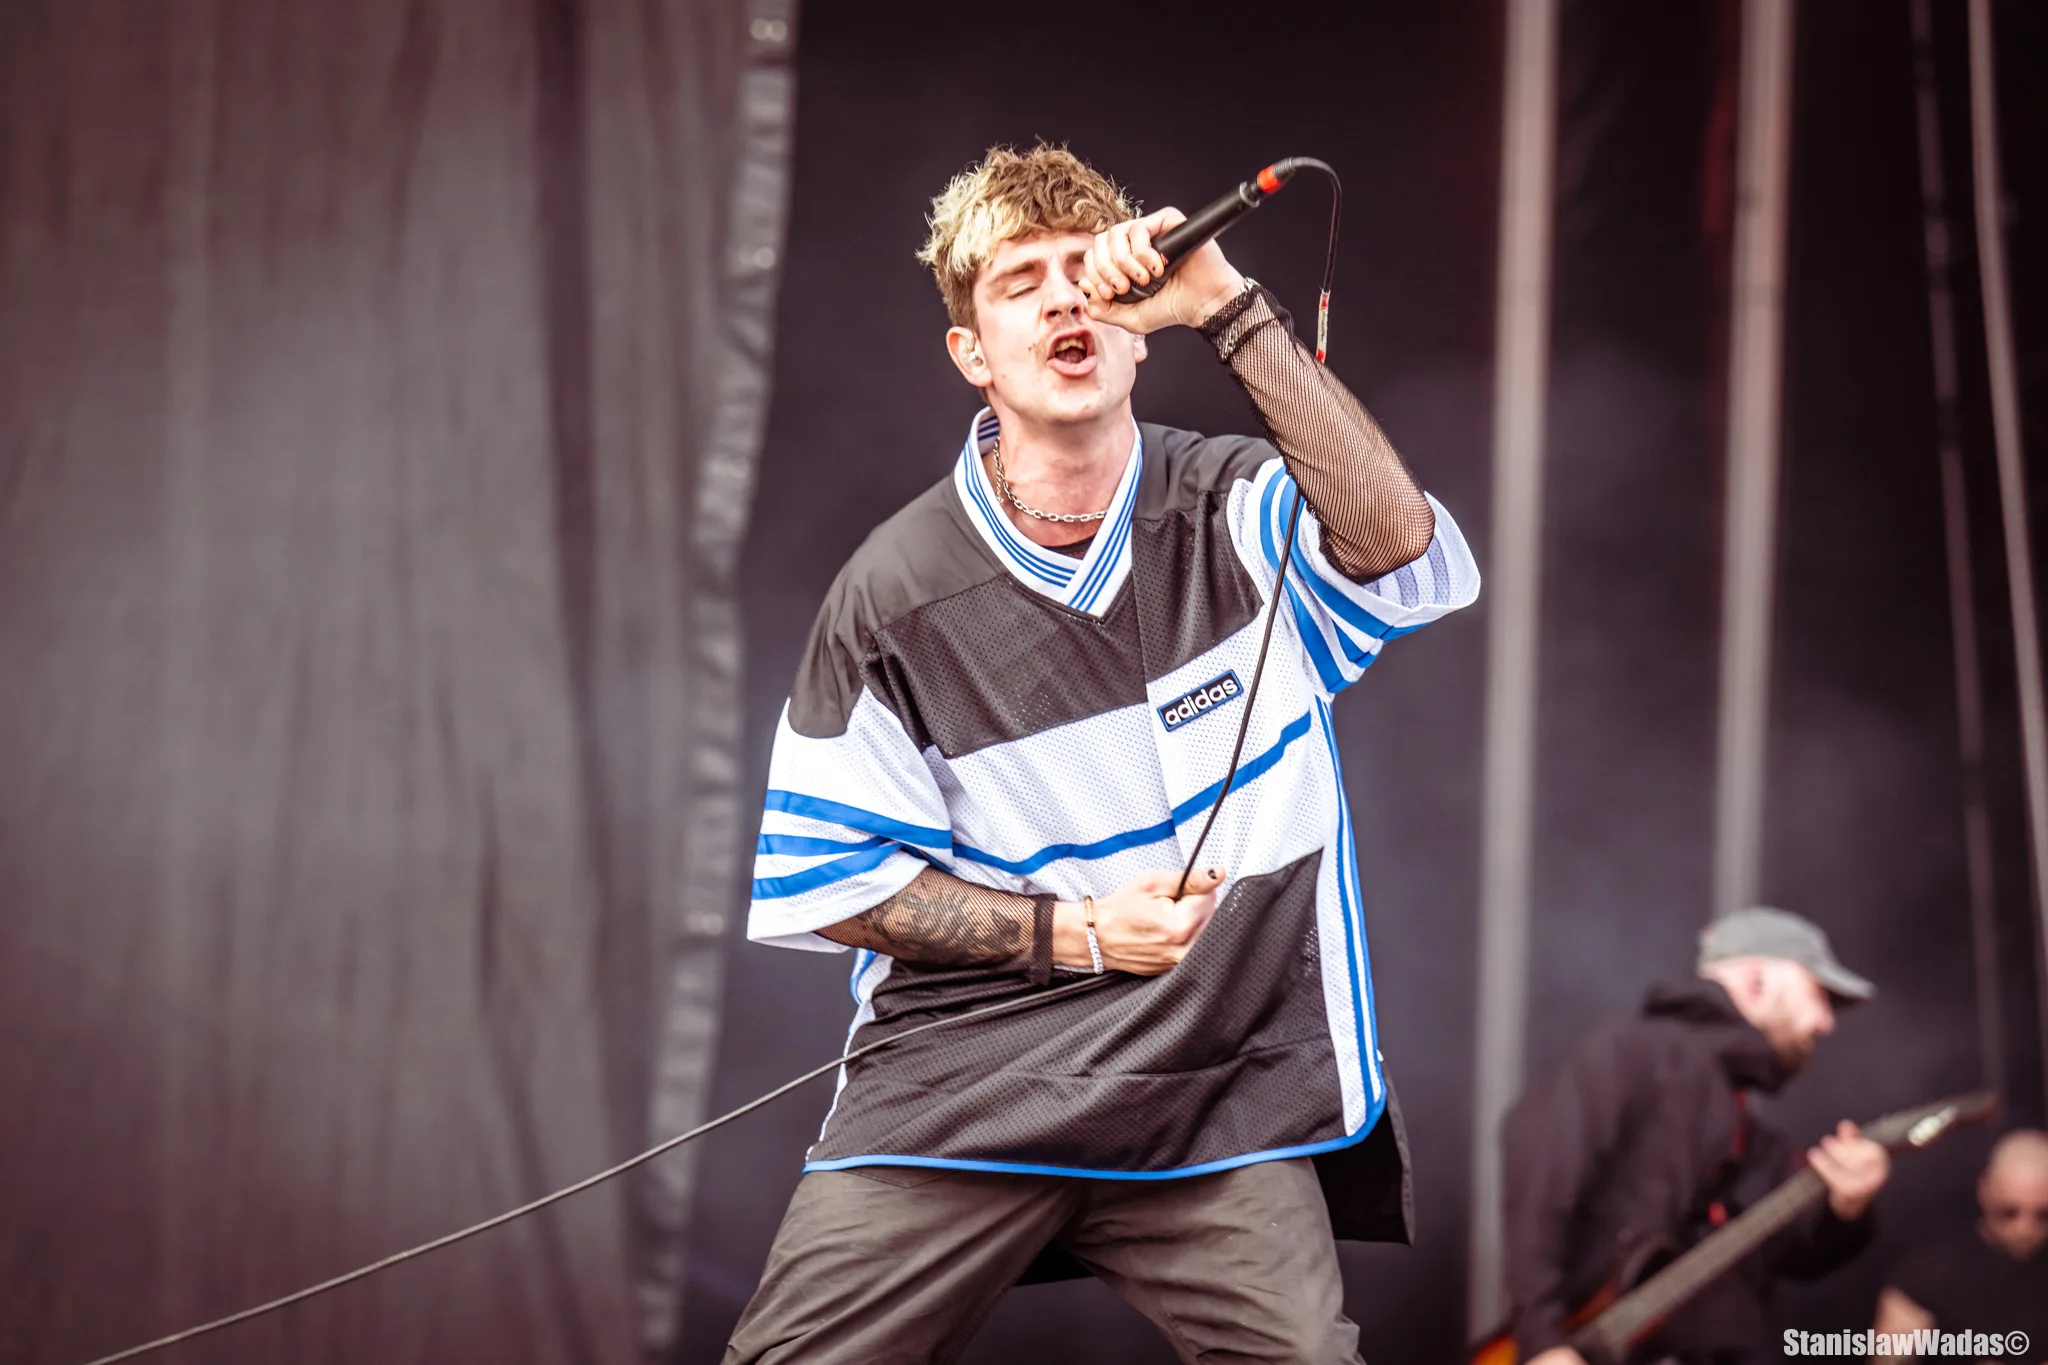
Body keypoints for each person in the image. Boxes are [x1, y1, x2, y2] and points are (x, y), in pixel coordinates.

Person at [728, 143, 1479, 1364]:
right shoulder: (891, 591)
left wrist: (1222, 302)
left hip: (1211, 1090)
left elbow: (1394, 542)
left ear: (1133, 334)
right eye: (1019, 284)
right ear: (971, 354)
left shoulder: (1238, 506)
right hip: (968, 1087)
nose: (1062, 299)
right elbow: (832, 883)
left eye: (1085, 274)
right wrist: (1075, 933)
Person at [1500, 906, 1893, 1365]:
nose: (1826, 1022)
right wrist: (1542, 1339)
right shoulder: (1636, 1052)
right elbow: (1542, 1171)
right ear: (1756, 982)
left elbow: (1792, 1252)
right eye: (1818, 994)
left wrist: (1847, 1207)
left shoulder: (1746, 1134)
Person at [1872, 1129, 2048, 1363]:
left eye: (2044, 1215)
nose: (2025, 1229)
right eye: (2008, 1212)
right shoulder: (1928, 1274)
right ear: (1985, 1190)